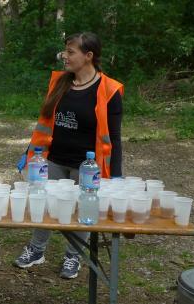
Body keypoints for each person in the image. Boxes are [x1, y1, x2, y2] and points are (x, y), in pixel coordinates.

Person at [14, 32, 123, 279]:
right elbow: (44, 123)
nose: (64, 56)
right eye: (65, 51)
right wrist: (28, 152)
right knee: (44, 204)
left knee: (82, 210)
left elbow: (114, 138)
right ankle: (36, 249)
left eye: (70, 52)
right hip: (53, 160)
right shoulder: (59, 83)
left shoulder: (109, 90)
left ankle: (74, 255)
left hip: (87, 166)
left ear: (89, 56)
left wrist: (116, 175)